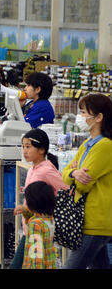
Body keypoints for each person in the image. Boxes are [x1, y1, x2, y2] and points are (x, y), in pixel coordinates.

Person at [62, 94, 112, 269]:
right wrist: (74, 172)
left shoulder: (105, 146)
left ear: (99, 117)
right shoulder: (87, 144)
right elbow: (65, 174)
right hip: (86, 219)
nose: (80, 117)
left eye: (84, 112)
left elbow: (83, 185)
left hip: (94, 222)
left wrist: (73, 174)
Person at [10, 129, 68, 269]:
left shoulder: (47, 170)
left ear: (42, 149)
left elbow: (66, 188)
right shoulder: (32, 169)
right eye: (23, 146)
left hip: (39, 226)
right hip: (30, 224)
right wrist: (25, 209)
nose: (25, 151)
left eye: (28, 147)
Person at [20, 181, 58, 269]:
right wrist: (25, 211)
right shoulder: (49, 219)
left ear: (33, 202)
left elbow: (36, 254)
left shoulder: (35, 225)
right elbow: (33, 217)